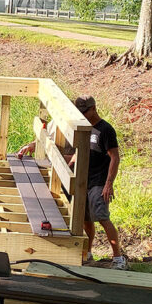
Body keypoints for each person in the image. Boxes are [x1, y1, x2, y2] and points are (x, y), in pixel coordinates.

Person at [19, 96, 125, 269]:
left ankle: (118, 258)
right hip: (84, 180)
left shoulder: (105, 130)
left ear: (93, 108)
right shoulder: (82, 129)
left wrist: (108, 184)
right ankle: (87, 253)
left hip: (98, 181)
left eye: (84, 112)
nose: (82, 116)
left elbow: (115, 157)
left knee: (102, 217)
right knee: (85, 220)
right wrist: (63, 163)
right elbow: (80, 154)